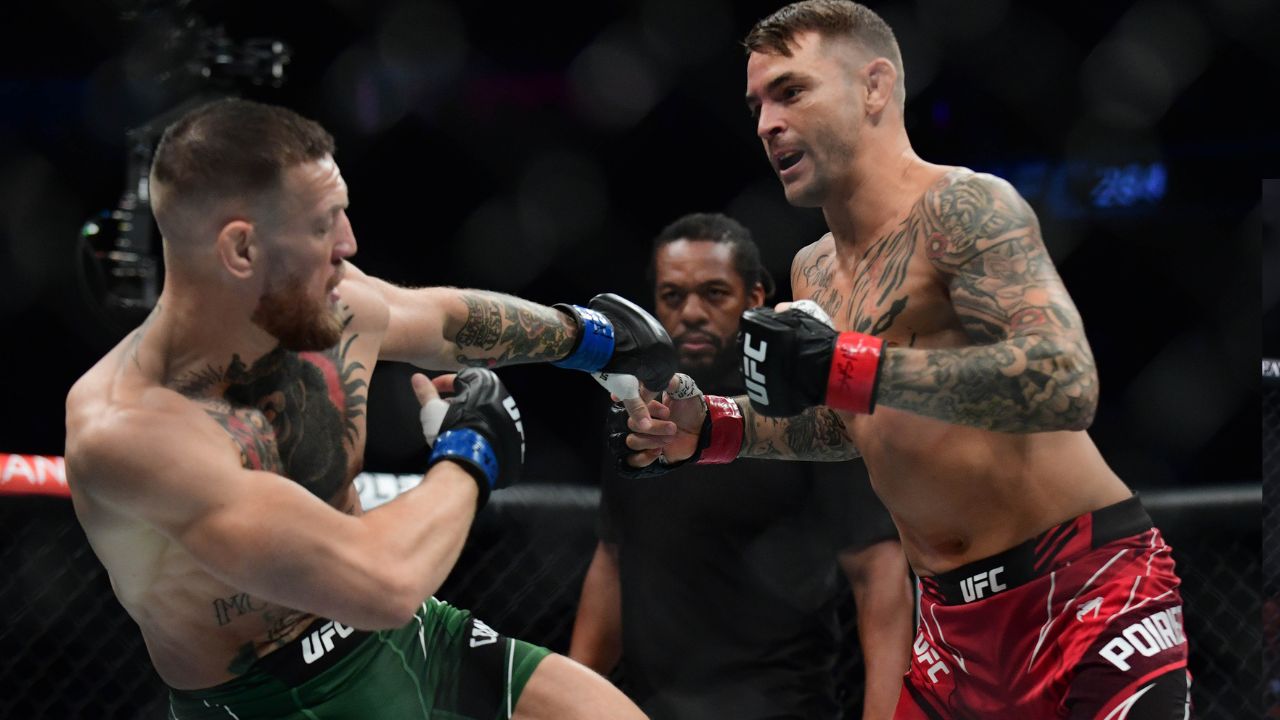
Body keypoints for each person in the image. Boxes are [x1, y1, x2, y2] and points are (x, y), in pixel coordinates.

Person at [615, 2, 1191, 718]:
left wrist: (850, 364)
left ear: (874, 87)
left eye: (791, 91)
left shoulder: (967, 208)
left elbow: (1064, 383)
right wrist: (715, 429)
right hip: (950, 633)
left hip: (1084, 593)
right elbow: (853, 428)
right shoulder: (813, 270)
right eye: (757, 103)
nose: (766, 123)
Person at [62, 97, 676, 720]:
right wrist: (471, 451)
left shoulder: (323, 303)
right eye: (325, 224)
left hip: (413, 638)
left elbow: (442, 321)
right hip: (275, 700)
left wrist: (591, 338)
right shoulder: (132, 432)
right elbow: (381, 582)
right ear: (242, 250)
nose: (349, 244)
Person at [569, 213, 913, 719]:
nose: (690, 312)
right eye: (672, 296)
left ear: (754, 299)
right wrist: (571, 699)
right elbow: (614, 556)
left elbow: (878, 577)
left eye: (713, 294)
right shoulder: (636, 405)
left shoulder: (803, 404)